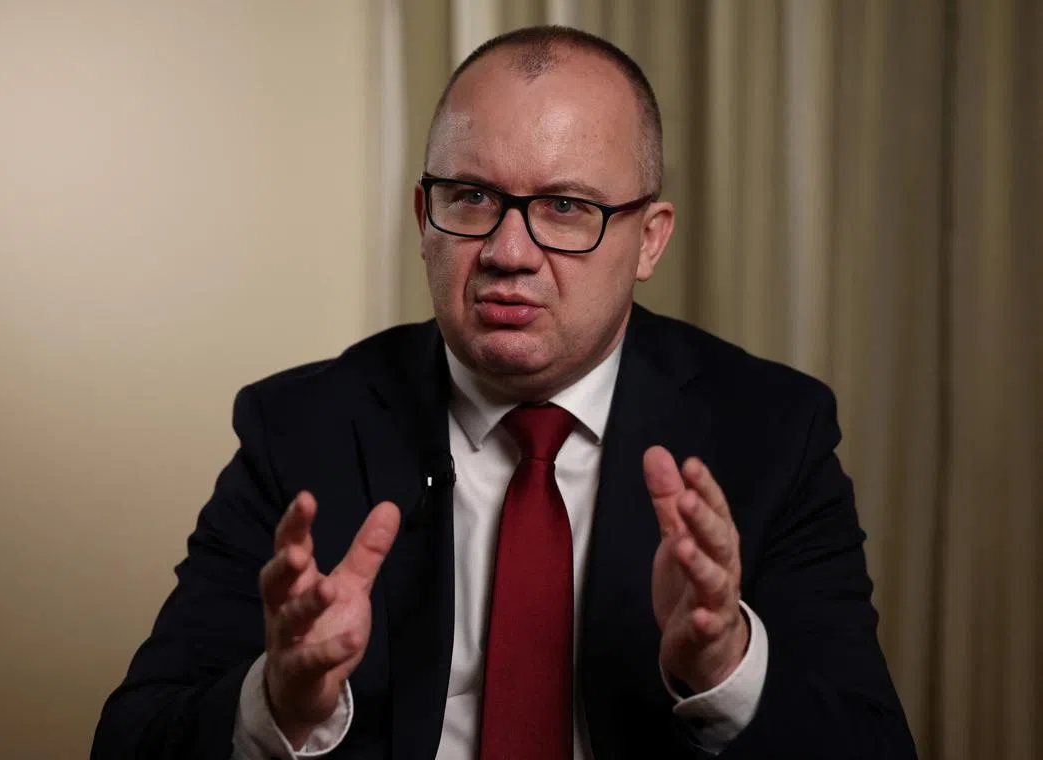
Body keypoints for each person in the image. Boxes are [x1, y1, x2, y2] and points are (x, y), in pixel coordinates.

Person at [92, 25, 916, 760]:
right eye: (473, 198)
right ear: (423, 217)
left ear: (649, 240)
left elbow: (872, 745)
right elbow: (133, 738)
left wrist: (724, 666)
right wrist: (281, 703)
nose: (508, 251)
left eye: (565, 206)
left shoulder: (772, 431)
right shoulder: (300, 428)